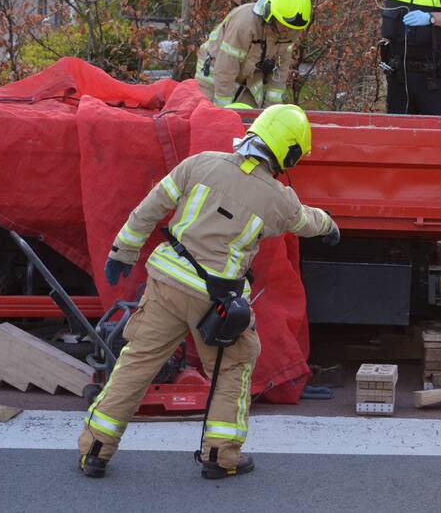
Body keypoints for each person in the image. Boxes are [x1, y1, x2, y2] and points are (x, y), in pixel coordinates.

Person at [77, 104, 340, 479]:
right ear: (289, 151)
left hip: (166, 283)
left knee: (137, 363)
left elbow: (150, 208)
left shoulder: (200, 163)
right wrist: (330, 226)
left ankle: (95, 450)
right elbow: (305, 221)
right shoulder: (277, 198)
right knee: (233, 366)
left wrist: (123, 251)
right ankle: (220, 458)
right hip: (214, 300)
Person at [196, 0, 312, 108]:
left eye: (293, 29)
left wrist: (270, 115)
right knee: (209, 114)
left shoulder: (288, 36)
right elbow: (226, 69)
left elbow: (278, 79)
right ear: (270, 15)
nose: (287, 32)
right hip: (215, 68)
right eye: (284, 26)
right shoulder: (244, 25)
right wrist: (221, 111)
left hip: (248, 76)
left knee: (250, 116)